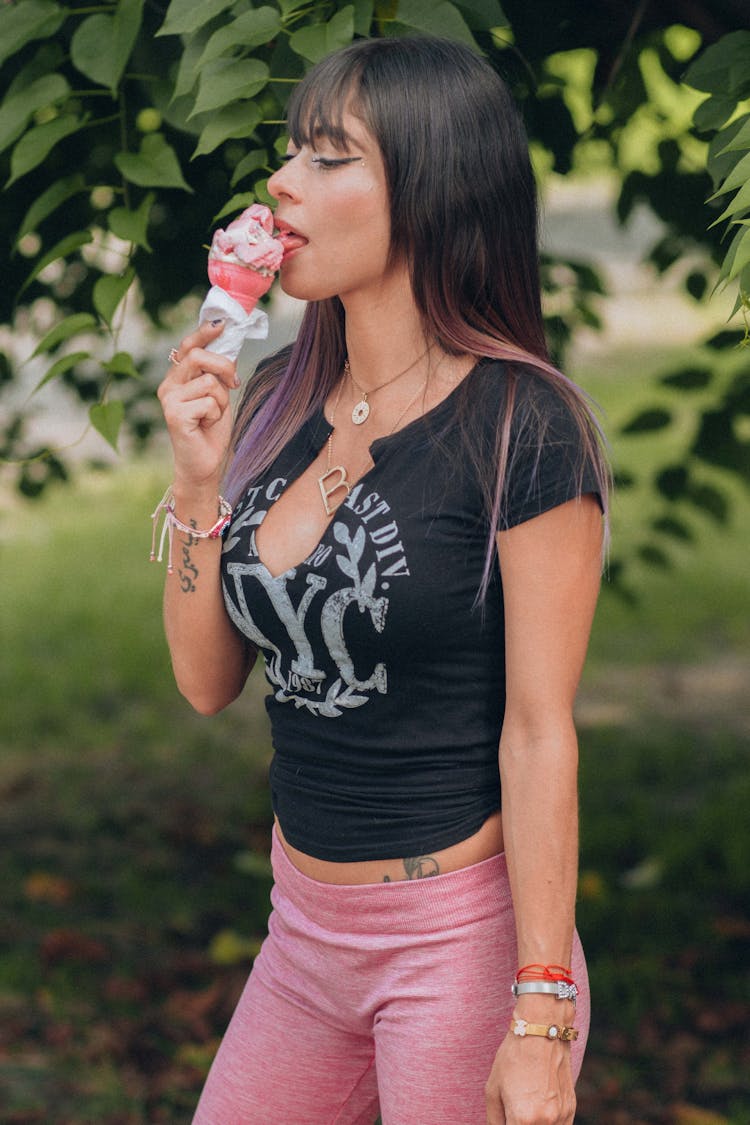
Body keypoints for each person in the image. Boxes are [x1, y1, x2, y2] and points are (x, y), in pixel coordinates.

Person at [156, 34, 609, 1125]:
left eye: (329, 156)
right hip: (303, 935)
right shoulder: (273, 398)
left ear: (431, 189)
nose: (281, 182)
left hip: (457, 944)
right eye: (289, 154)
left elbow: (541, 731)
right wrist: (196, 483)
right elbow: (207, 684)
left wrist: (539, 1014)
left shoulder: (522, 427)